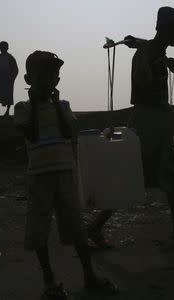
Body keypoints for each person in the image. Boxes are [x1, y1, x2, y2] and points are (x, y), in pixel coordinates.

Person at [14, 51, 117, 299]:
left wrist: (57, 106)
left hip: (65, 174)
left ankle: (89, 275)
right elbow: (32, 135)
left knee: (75, 226)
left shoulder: (63, 106)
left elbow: (68, 131)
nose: (49, 82)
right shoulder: (23, 108)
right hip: (40, 177)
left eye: (54, 77)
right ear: (29, 79)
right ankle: (49, 281)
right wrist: (37, 105)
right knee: (40, 228)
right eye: (42, 77)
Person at [123, 7, 174, 240]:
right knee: (134, 173)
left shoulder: (152, 50)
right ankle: (96, 226)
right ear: (168, 29)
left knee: (167, 171)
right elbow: (141, 86)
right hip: (149, 120)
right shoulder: (148, 53)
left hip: (155, 119)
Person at [0, 41, 18, 116]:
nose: (1, 48)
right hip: (0, 79)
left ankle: (7, 111)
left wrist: (12, 78)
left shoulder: (10, 58)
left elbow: (15, 70)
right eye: (1, 47)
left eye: (3, 47)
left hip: (8, 79)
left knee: (8, 96)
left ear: (7, 48)